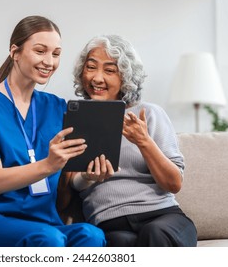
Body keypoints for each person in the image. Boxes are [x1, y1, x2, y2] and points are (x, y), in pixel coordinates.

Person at [0, 15, 106, 247]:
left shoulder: (57, 107)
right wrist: (47, 165)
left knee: (92, 235)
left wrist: (86, 176)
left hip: (45, 222)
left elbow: (69, 178)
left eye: (56, 54)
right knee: (48, 239)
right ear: (15, 52)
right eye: (40, 51)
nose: (49, 61)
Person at [64, 34, 197, 247]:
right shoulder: (77, 118)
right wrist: (88, 177)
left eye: (109, 70)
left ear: (125, 77)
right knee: (120, 243)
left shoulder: (150, 114)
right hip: (110, 222)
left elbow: (174, 183)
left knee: (155, 233)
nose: (97, 78)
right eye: (91, 67)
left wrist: (144, 141)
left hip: (162, 216)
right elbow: (72, 185)